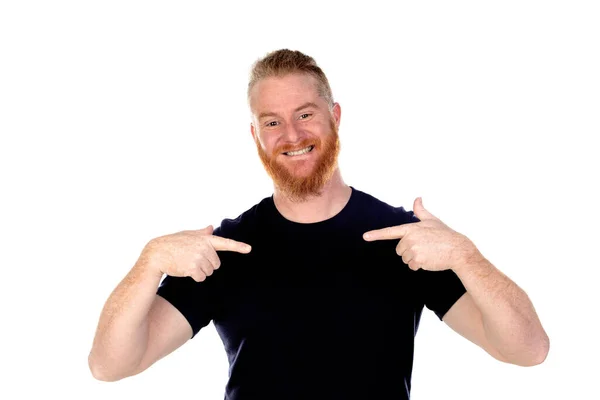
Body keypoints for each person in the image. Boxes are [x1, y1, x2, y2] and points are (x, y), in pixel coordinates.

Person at [88, 49, 549, 399]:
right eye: (272, 122)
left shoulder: (403, 240)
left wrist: (466, 257)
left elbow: (527, 350)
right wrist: (149, 262)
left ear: (335, 117)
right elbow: (110, 366)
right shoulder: (227, 249)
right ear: (256, 136)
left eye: (305, 114)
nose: (291, 136)